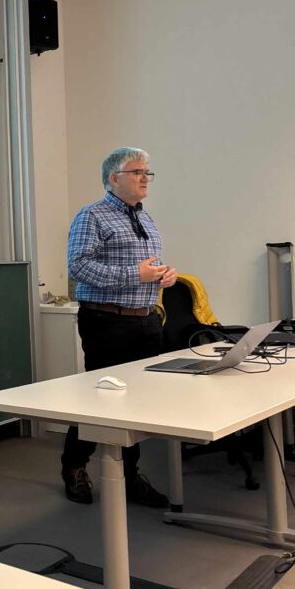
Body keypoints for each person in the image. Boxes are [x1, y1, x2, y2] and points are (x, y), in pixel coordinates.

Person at [61, 147, 177, 507]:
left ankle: (129, 475)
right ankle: (74, 466)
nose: (145, 178)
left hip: (147, 319)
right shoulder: (92, 215)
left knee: (137, 403)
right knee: (100, 398)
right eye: (137, 172)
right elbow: (78, 266)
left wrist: (165, 275)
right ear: (114, 178)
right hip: (107, 320)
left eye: (147, 172)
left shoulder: (147, 218)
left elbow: (147, 267)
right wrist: (135, 275)